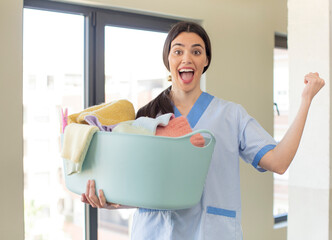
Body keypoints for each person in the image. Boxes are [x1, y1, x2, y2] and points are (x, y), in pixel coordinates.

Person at [81, 21, 325, 239]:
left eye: (196, 51)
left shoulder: (231, 115)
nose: (187, 58)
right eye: (178, 51)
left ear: (205, 60)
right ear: (168, 59)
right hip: (155, 232)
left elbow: (279, 162)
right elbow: (136, 191)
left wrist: (305, 101)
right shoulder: (145, 117)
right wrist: (108, 201)